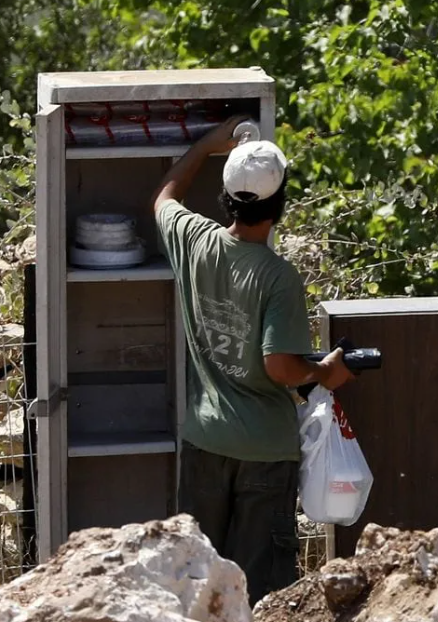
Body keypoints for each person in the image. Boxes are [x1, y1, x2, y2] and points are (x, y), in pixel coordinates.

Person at [150, 116, 354, 604]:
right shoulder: (278, 277)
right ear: (279, 205)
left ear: (226, 197)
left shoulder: (195, 241)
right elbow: (279, 368)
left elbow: (163, 199)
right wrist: (325, 371)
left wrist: (205, 145)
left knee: (198, 584)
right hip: (264, 452)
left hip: (204, 442)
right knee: (259, 591)